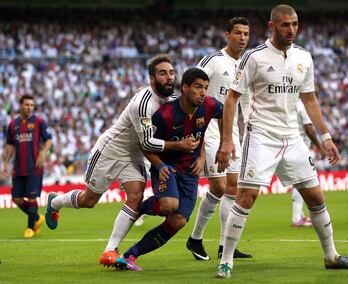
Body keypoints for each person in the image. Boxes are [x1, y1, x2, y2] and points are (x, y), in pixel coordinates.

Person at [215, 4, 348, 278]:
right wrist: (227, 140)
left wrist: (326, 136)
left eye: (295, 24)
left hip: (292, 138)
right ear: (272, 26)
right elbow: (231, 98)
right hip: (261, 135)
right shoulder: (254, 57)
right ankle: (226, 261)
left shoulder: (304, 58)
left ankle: (331, 256)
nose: (291, 29)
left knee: (316, 197)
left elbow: (309, 98)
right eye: (285, 25)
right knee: (246, 196)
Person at [44, 55, 199, 266]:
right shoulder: (143, 104)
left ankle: (110, 251)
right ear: (151, 79)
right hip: (110, 151)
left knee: (135, 196)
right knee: (88, 201)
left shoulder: (173, 100)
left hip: (134, 155)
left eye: (171, 72)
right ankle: (54, 202)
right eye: (163, 73)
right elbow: (148, 142)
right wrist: (179, 146)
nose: (169, 77)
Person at [113, 67, 223, 270]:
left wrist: (204, 155)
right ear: (185, 88)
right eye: (198, 87)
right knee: (169, 205)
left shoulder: (209, 105)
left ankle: (130, 256)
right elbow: (144, 144)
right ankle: (139, 208)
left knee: (179, 220)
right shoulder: (165, 115)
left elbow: (222, 115)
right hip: (167, 166)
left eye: (206, 88)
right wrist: (160, 164)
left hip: (190, 169)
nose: (203, 93)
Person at [186, 16, 252, 261]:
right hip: (209, 129)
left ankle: (223, 245)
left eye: (246, 34)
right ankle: (198, 239)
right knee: (220, 186)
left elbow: (245, 102)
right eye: (237, 33)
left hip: (231, 131)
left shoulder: (247, 65)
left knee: (232, 187)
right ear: (227, 35)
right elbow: (191, 85)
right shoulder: (213, 61)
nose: (242, 38)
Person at [1, 95, 52, 238]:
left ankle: (30, 228)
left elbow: (48, 140)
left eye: (32, 105)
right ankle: (37, 218)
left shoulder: (39, 122)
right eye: (27, 105)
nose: (29, 107)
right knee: (16, 198)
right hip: (18, 168)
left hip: (34, 167)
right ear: (20, 106)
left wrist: (43, 152)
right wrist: (5, 163)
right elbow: (10, 146)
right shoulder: (13, 125)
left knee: (31, 199)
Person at [290, 100, 327, 227]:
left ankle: (298, 215)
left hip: (290, 146)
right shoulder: (303, 106)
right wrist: (319, 147)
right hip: (300, 148)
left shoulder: (292, 103)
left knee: (297, 181)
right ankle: (296, 218)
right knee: (302, 181)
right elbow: (309, 130)